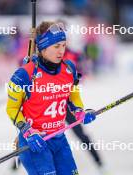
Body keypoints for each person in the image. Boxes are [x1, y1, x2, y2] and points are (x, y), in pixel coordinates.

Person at [6, 21, 96, 175]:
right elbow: (12, 109)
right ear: (43, 47)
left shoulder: (69, 69)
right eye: (56, 46)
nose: (61, 50)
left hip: (59, 140)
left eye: (63, 45)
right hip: (35, 142)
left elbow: (73, 96)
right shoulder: (24, 74)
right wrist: (27, 132)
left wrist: (80, 112)